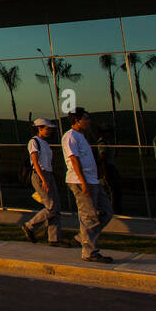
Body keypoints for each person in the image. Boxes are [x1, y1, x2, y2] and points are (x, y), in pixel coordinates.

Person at [63, 108, 112, 263]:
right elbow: (74, 160)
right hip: (80, 181)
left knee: (106, 212)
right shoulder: (70, 137)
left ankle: (82, 238)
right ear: (77, 120)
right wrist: (83, 181)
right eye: (86, 118)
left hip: (92, 180)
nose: (89, 121)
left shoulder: (81, 136)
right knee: (88, 216)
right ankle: (89, 251)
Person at [20, 118, 64, 245]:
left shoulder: (45, 143)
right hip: (40, 175)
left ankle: (54, 238)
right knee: (51, 207)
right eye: (47, 128)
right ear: (39, 128)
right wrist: (43, 179)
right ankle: (29, 225)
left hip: (48, 174)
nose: (49, 131)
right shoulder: (34, 142)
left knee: (56, 207)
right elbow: (35, 162)